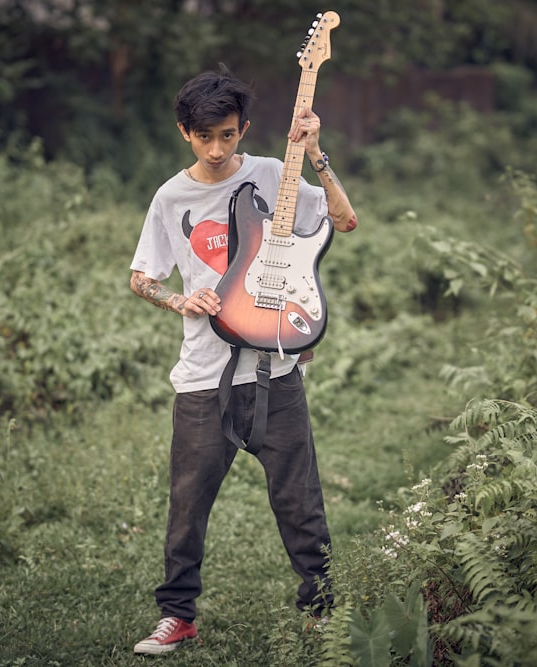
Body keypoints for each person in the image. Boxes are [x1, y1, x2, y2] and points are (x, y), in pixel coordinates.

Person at [128, 63, 358, 655]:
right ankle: (177, 615)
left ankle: (322, 609)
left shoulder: (271, 175)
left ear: (244, 129)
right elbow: (141, 278)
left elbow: (344, 220)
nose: (216, 148)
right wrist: (182, 297)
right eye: (204, 137)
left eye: (227, 135)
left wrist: (316, 157)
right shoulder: (170, 197)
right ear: (184, 132)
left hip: (278, 367)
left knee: (300, 500)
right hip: (204, 374)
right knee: (188, 505)